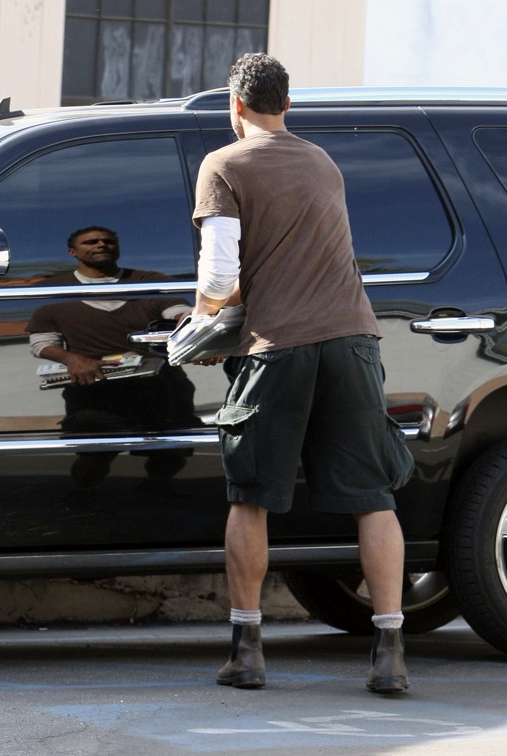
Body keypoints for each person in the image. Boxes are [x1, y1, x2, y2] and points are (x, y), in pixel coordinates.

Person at [191, 54, 415, 693]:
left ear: (235, 107)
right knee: (373, 497)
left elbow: (218, 278)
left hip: (277, 346)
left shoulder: (224, 165)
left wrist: (198, 327)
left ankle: (247, 651)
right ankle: (391, 653)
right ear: (288, 106)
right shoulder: (322, 162)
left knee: (252, 492)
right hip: (352, 339)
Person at [27, 226, 199, 489]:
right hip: (94, 390)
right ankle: (83, 505)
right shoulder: (53, 289)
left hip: (157, 386)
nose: (101, 245)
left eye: (108, 241)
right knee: (93, 456)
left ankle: (158, 494)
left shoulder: (147, 280)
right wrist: (72, 358)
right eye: (91, 241)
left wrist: (186, 321)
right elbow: (41, 343)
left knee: (171, 450)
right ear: (73, 251)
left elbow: (178, 310)